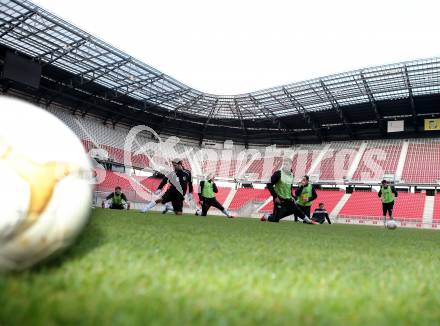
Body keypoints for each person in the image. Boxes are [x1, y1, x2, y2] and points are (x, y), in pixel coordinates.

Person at [260, 159, 316, 224]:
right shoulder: (278, 173)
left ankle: (309, 221)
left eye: (288, 164)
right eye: (285, 164)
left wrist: (291, 195)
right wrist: (275, 197)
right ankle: (266, 216)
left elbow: (289, 187)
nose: (286, 166)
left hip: (288, 198)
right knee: (275, 219)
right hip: (279, 199)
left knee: (297, 210)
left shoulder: (291, 175)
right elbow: (269, 185)